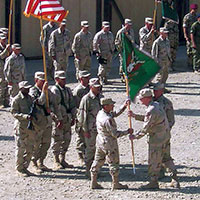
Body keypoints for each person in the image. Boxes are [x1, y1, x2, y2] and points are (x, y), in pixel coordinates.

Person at [128, 88, 180, 189]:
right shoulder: (157, 105)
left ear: (147, 98)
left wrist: (134, 137)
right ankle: (175, 179)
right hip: (165, 137)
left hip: (157, 140)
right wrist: (135, 116)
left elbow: (146, 128)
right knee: (167, 159)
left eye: (141, 99)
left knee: (154, 161)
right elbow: (152, 120)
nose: (140, 101)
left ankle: (153, 182)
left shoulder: (151, 110)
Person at [90, 98, 133, 190]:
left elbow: (114, 114)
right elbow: (115, 134)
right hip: (109, 143)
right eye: (111, 105)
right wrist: (127, 132)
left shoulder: (100, 113)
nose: (113, 106)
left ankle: (93, 182)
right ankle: (115, 183)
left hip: (100, 141)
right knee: (113, 162)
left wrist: (124, 106)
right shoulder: (108, 119)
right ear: (105, 106)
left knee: (97, 161)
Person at [29, 72, 59, 173]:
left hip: (47, 120)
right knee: (37, 143)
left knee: (46, 143)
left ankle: (41, 161)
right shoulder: (33, 91)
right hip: (38, 121)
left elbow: (52, 102)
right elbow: (40, 102)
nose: (43, 83)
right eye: (41, 81)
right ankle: (33, 162)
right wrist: (43, 91)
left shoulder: (47, 91)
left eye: (44, 81)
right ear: (36, 80)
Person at [153, 83, 179, 187]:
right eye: (154, 90)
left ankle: (174, 178)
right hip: (154, 134)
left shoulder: (166, 103)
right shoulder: (153, 101)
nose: (155, 92)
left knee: (165, 156)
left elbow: (171, 120)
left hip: (162, 134)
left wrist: (164, 129)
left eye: (157, 90)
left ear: (162, 91)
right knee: (157, 155)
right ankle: (159, 172)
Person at [50, 70, 76, 170]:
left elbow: (72, 104)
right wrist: (58, 120)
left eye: (64, 79)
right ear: (57, 79)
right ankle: (56, 160)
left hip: (67, 118)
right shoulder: (55, 90)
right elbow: (55, 106)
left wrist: (73, 116)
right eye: (62, 79)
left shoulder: (67, 90)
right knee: (58, 139)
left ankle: (62, 158)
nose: (64, 81)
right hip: (59, 119)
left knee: (67, 139)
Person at [76, 78, 102, 177]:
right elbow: (82, 116)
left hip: (99, 128)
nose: (98, 88)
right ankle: (88, 170)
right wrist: (85, 130)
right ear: (91, 87)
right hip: (90, 129)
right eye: (96, 87)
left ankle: (95, 170)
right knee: (90, 149)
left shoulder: (100, 97)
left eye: (99, 86)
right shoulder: (86, 99)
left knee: (98, 150)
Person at [11, 81, 35, 177]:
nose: (28, 90)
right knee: (21, 148)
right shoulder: (16, 100)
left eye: (28, 88)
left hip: (30, 127)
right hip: (21, 127)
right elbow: (14, 113)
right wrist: (24, 116)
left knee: (30, 148)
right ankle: (19, 168)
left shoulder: (30, 98)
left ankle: (25, 167)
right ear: (21, 89)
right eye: (25, 88)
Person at [73, 70, 91, 163]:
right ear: (81, 79)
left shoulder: (89, 88)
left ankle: (88, 154)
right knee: (81, 136)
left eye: (88, 77)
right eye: (86, 78)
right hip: (81, 116)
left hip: (90, 116)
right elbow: (76, 105)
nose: (88, 79)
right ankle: (81, 155)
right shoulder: (78, 91)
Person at [151, 27, 171, 93]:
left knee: (165, 74)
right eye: (165, 33)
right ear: (161, 33)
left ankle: (162, 88)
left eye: (166, 33)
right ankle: (157, 89)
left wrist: (169, 58)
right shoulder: (157, 42)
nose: (166, 34)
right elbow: (154, 53)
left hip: (166, 60)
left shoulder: (167, 41)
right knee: (159, 76)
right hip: (160, 61)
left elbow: (168, 50)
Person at [183, 4, 198, 69]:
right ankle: (189, 63)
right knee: (189, 51)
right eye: (194, 9)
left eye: (196, 9)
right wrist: (185, 36)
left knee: (195, 51)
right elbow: (184, 27)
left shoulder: (197, 16)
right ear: (191, 9)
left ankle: (194, 64)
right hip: (189, 36)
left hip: (196, 36)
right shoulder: (187, 17)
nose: (195, 10)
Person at [0, 33, 10, 108]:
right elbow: (1, 56)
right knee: (2, 85)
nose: (4, 41)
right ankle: (1, 102)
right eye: (3, 39)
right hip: (1, 68)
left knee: (7, 84)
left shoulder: (7, 46)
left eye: (5, 39)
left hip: (7, 68)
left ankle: (6, 101)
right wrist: (6, 49)